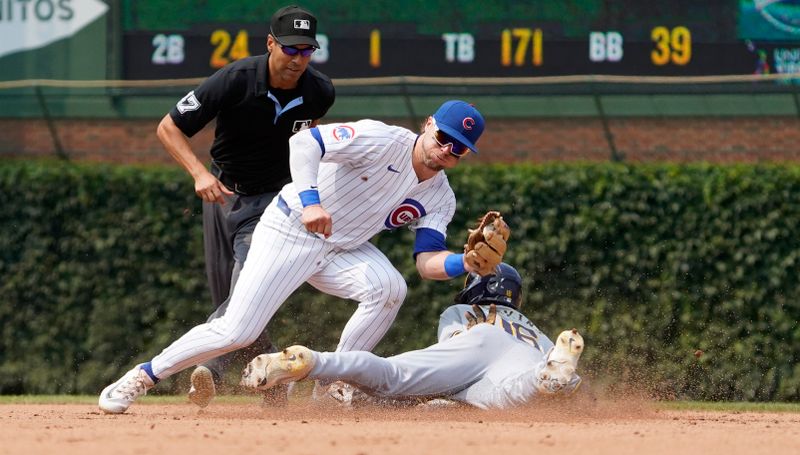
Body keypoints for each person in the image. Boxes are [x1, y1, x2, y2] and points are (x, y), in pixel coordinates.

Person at [98, 99, 499, 414]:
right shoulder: (380, 139)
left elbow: (425, 261)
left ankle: (331, 384)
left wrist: (462, 264)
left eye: (458, 148)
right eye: (442, 136)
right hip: (291, 228)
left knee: (390, 288)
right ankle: (142, 377)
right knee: (238, 331)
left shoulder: (440, 196)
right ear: (428, 123)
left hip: (343, 248)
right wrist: (310, 201)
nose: (446, 149)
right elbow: (304, 141)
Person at [155, 5, 335, 408]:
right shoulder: (235, 80)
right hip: (221, 195)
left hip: (271, 204)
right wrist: (200, 174)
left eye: (307, 50)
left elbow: (315, 144)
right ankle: (273, 384)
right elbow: (169, 128)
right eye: (290, 49)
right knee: (239, 298)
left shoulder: (319, 91)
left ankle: (210, 370)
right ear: (270, 44)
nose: (298, 59)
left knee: (246, 296)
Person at [239, 263, 585, 410]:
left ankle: (315, 360)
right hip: (532, 356)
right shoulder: (533, 329)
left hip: (478, 340)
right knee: (506, 396)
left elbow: (454, 365)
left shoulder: (463, 313)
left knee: (392, 377)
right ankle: (549, 375)